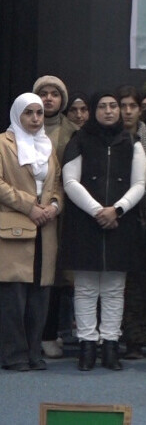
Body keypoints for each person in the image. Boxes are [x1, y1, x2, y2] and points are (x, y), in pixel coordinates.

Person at [60, 92, 146, 371]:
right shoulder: (79, 140)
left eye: (113, 106)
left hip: (121, 222)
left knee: (114, 289)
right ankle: (87, 345)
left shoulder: (132, 142)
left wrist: (117, 209)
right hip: (86, 220)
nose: (109, 111)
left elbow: (139, 184)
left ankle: (110, 344)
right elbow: (70, 181)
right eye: (102, 106)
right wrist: (98, 210)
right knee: (85, 288)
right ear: (93, 110)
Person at [0, 93, 62, 372]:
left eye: (39, 113)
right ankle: (14, 355)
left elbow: (57, 183)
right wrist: (30, 206)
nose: (36, 118)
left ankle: (34, 353)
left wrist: (54, 206)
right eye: (29, 113)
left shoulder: (47, 146)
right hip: (14, 228)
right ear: (17, 114)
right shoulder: (3, 144)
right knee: (13, 297)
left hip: (44, 228)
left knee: (40, 295)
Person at [32, 76, 76, 360]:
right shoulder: (20, 130)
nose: (48, 99)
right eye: (43, 94)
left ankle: (50, 333)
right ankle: (28, 335)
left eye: (54, 94)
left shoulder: (74, 132)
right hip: (28, 211)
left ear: (62, 100)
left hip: (64, 212)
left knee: (57, 275)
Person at [115, 85, 146, 360]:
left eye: (133, 106)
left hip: (141, 218)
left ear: (140, 110)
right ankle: (108, 337)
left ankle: (135, 339)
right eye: (123, 106)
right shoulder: (107, 136)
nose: (128, 111)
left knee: (138, 285)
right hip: (111, 214)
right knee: (111, 283)